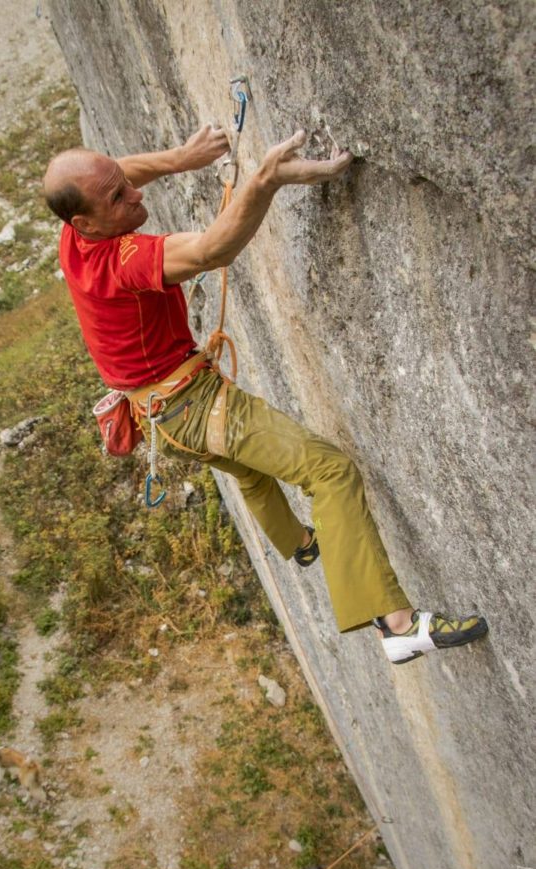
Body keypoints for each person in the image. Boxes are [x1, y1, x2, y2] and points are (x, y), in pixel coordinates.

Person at [43, 124, 488, 664]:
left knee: (249, 468)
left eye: (123, 184)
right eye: (118, 198)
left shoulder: (76, 236)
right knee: (330, 472)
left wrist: (183, 159)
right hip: (195, 407)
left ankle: (299, 544)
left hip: (160, 417)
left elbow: (120, 172)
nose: (135, 195)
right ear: (86, 221)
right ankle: (396, 626)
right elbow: (210, 250)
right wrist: (264, 182)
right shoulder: (126, 260)